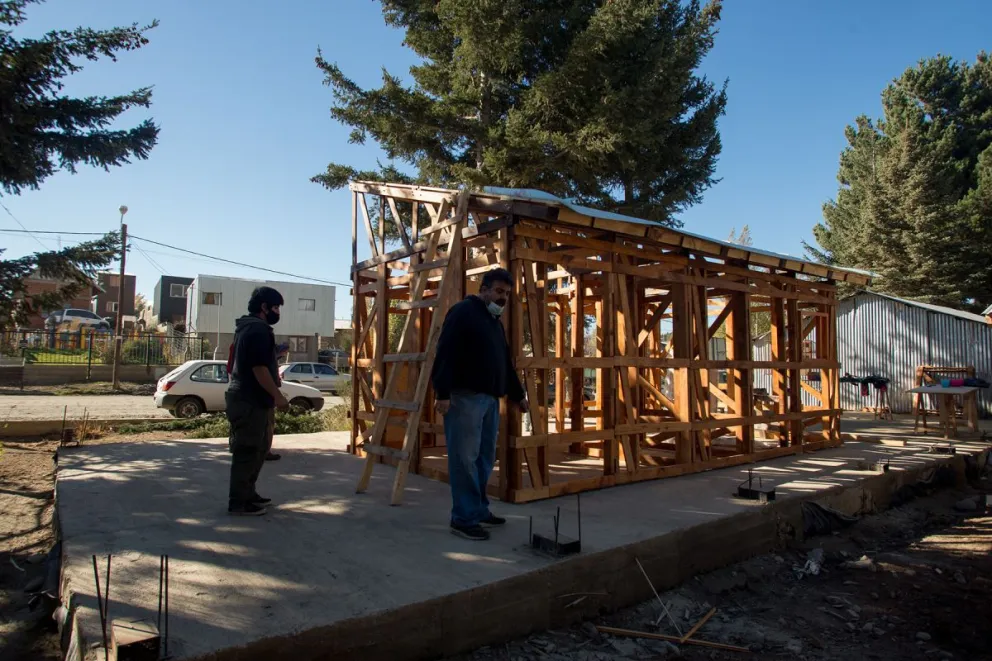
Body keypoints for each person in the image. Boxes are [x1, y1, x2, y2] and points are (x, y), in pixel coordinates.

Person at [431, 268, 529, 540]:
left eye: (507, 294)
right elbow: (446, 351)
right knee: (465, 460)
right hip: (464, 399)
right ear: (483, 289)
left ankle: (478, 509)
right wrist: (442, 392)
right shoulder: (463, 312)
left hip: (489, 400)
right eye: (498, 291)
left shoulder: (494, 322)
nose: (503, 298)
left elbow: (504, 365)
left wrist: (517, 394)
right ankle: (462, 518)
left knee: (485, 458)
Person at [226, 286, 289, 516]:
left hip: (253, 400)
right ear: (263, 307)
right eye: (275, 307)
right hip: (248, 400)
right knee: (247, 451)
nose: (277, 312)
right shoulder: (257, 330)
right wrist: (278, 396)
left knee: (259, 450)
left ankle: (249, 494)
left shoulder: (251, 328)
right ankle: (239, 503)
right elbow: (259, 369)